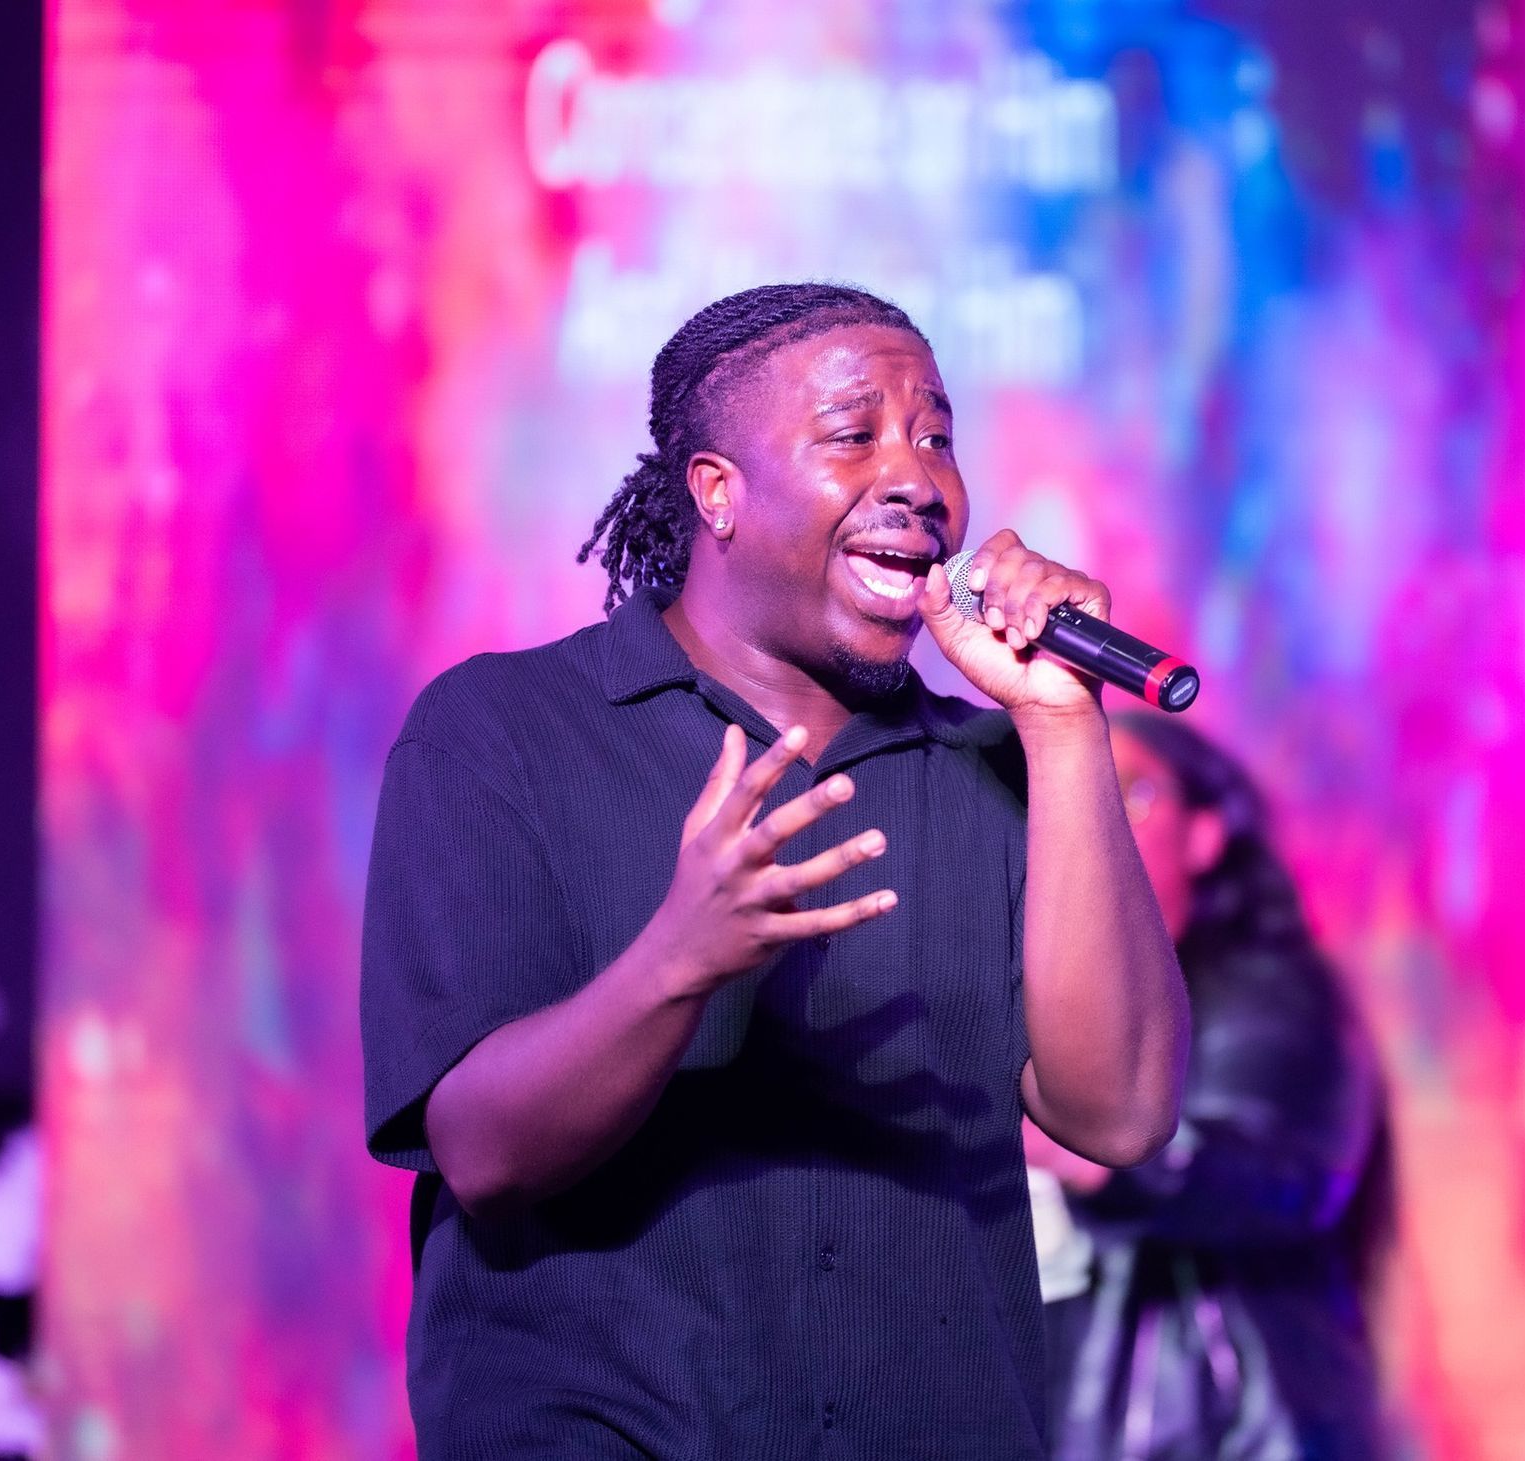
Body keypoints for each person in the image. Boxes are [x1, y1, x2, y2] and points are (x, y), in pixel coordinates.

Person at [358, 283, 1191, 1459]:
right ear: (719, 494)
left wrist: (1062, 729)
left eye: (937, 436)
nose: (918, 478)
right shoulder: (506, 731)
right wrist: (677, 963)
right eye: (856, 435)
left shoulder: (996, 767)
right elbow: (485, 1156)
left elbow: (1121, 1111)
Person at [1024, 713, 1393, 1461]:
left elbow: (1283, 1182)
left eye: (1128, 791)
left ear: (1204, 835)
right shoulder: (1028, 985)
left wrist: (1101, 1154)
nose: (1093, 816)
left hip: (1226, 1426)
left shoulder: (1267, 991)